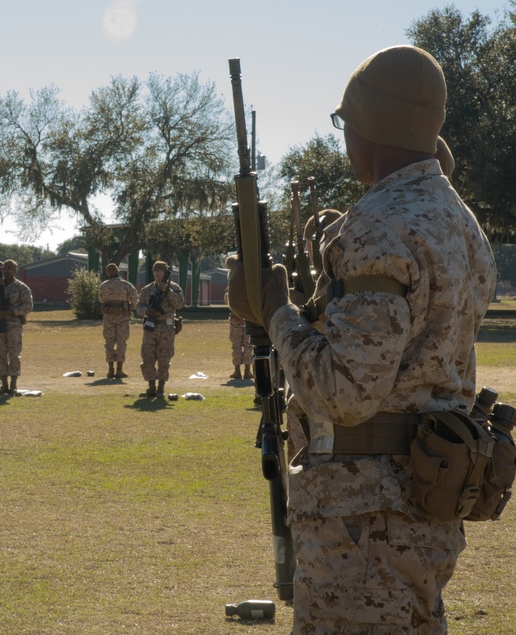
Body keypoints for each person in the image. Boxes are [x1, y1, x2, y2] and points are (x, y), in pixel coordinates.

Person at [228, 45, 495, 633]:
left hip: (365, 521)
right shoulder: (460, 220)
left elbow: (347, 389)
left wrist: (273, 309)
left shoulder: (378, 223)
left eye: (346, 123)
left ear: (369, 125)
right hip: (426, 498)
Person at [0, 259, 33, 395]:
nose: (7, 271)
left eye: (10, 268)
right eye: (5, 268)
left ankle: (13, 385)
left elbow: (28, 306)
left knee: (14, 354)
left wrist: (12, 312)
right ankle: (3, 385)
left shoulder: (21, 287)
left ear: (15, 271)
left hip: (14, 326)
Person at [136, 261, 184, 398]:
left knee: (164, 358)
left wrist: (167, 291)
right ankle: (151, 387)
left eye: (160, 270)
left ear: (165, 273)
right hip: (150, 327)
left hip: (167, 328)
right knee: (147, 357)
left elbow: (179, 304)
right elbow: (138, 308)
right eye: (155, 270)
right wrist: (147, 311)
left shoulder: (174, 288)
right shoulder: (146, 290)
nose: (157, 273)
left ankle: (161, 388)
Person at [97, 262, 138, 379]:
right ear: (118, 271)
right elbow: (134, 298)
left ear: (108, 273)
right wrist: (132, 307)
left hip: (109, 316)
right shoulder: (127, 285)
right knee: (121, 341)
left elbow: (101, 299)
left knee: (109, 342)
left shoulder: (104, 285)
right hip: (123, 316)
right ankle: (119, 370)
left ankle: (110, 370)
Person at [224, 290, 252, 381]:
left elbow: (226, 299)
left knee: (236, 345)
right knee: (248, 345)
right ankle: (247, 371)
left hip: (236, 320)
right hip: (249, 319)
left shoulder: (233, 287)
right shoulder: (250, 288)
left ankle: (237, 371)